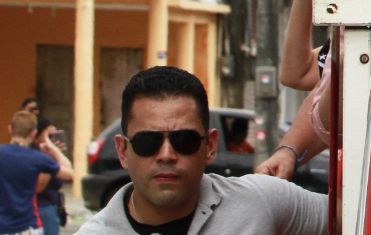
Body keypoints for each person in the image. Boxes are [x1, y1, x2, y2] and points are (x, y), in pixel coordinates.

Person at [81, 67, 322, 235]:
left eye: (184, 140)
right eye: (148, 141)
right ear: (123, 151)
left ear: (210, 146)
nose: (166, 154)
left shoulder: (262, 202)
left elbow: (356, 215)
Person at [2, 109, 71, 235]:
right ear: (33, 133)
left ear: (10, 129)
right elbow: (70, 173)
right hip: (28, 226)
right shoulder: (37, 158)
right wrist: (54, 150)